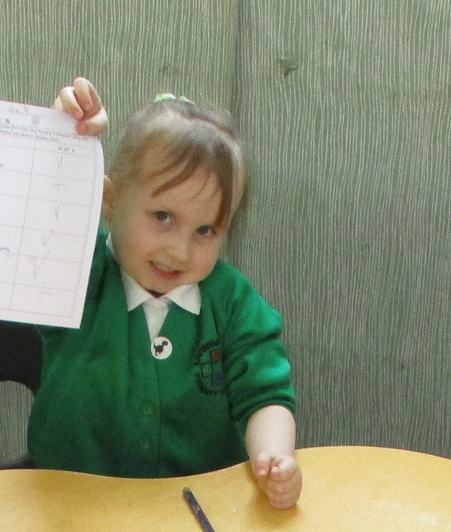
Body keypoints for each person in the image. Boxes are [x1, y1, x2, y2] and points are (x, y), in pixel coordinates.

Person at [30, 76, 301, 508]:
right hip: (74, 514)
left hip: (197, 517)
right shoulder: (77, 272)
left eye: (206, 230)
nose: (180, 250)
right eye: (162, 216)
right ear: (109, 200)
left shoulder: (231, 301)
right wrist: (67, 138)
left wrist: (274, 458)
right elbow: (38, 219)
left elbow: (265, 397)